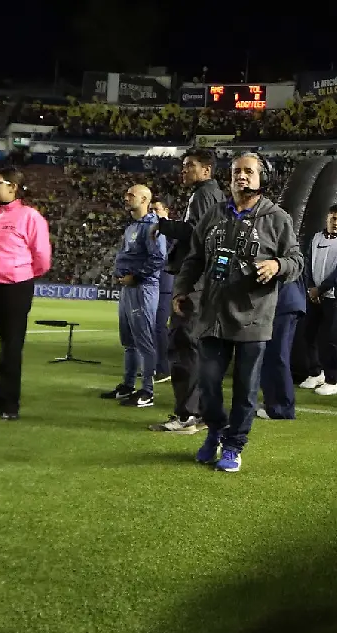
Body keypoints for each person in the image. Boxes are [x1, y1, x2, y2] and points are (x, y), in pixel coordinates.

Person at [173, 153, 303, 473]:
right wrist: (181, 289)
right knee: (208, 382)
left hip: (254, 316)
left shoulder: (277, 218)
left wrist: (278, 265)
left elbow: (297, 261)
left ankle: (234, 445)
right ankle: (216, 430)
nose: (241, 176)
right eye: (236, 171)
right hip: (212, 315)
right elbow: (194, 258)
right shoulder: (214, 214)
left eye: (248, 171)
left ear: (262, 177)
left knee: (246, 388)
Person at [150, 149, 224, 434]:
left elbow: (198, 232)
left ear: (207, 170)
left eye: (189, 165)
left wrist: (165, 225)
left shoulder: (204, 194)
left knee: (183, 346)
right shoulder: (209, 194)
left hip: (195, 283)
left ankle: (187, 416)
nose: (184, 170)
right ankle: (202, 412)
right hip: (202, 282)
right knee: (196, 349)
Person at [0, 167, 51, 421]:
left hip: (14, 289)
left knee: (11, 347)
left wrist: (19, 273)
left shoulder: (30, 217)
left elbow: (42, 257)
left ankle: (8, 404)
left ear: (13, 187)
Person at [99, 184, 166, 408]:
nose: (126, 197)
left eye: (131, 195)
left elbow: (158, 258)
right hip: (128, 290)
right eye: (126, 193)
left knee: (144, 341)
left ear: (145, 199)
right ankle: (128, 385)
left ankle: (147, 391)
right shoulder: (132, 227)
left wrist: (136, 277)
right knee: (128, 341)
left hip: (143, 289)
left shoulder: (153, 226)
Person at [296, 204, 337, 397]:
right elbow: (308, 262)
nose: (335, 222)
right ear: (327, 219)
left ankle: (332, 380)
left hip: (332, 298)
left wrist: (320, 290)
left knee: (332, 340)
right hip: (314, 296)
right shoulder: (316, 238)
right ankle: (315, 372)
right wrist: (312, 288)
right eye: (333, 218)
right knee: (308, 334)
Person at [257, 262, 307, 420]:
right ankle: (273, 403)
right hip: (288, 301)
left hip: (283, 301)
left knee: (277, 354)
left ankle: (282, 408)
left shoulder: (272, 244)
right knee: (272, 354)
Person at [149, 198, 173, 384]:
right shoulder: (153, 231)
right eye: (151, 209)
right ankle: (155, 366)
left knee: (159, 327)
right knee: (152, 328)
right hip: (153, 284)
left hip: (166, 285)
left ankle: (164, 369)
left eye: (156, 209)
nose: (153, 212)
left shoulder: (173, 231)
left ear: (166, 210)